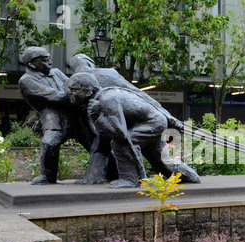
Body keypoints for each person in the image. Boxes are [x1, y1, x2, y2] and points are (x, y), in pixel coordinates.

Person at [64, 73, 200, 188]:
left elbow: (120, 134)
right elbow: (103, 138)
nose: (70, 93)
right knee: (160, 159)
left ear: (87, 90)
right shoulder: (100, 100)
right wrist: (92, 178)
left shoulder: (107, 99)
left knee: (120, 143)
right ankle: (190, 176)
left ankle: (130, 179)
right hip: (153, 121)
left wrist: (97, 117)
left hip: (153, 122)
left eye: (74, 89)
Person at [18, 47, 109, 185]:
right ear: (31, 64)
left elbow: (72, 85)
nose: (49, 62)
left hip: (77, 117)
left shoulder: (56, 72)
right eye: (44, 59)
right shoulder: (26, 81)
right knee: (49, 143)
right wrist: (81, 93)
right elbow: (56, 96)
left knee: (97, 145)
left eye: (49, 58)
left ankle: (112, 174)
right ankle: (47, 176)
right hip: (54, 119)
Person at [69, 54, 183, 131]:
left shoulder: (69, 85)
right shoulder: (106, 73)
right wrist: (168, 116)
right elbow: (138, 93)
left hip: (102, 128)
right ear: (90, 63)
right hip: (127, 124)